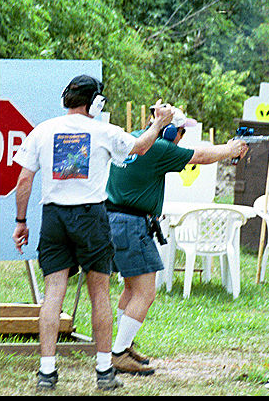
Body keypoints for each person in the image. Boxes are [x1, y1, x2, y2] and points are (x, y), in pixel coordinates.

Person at [11, 75, 174, 391]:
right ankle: (103, 371)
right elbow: (141, 147)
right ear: (96, 103)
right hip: (91, 217)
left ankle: (47, 372)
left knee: (53, 293)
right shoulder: (104, 131)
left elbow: (24, 181)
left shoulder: (42, 131)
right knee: (99, 292)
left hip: (54, 216)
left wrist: (21, 221)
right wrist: (159, 122)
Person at [105, 102, 249, 376]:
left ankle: (124, 344)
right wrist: (230, 149)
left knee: (131, 289)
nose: (181, 138)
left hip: (116, 221)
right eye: (181, 132)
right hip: (132, 224)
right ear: (171, 131)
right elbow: (200, 156)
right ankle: (119, 353)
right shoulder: (158, 147)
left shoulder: (132, 138)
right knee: (146, 292)